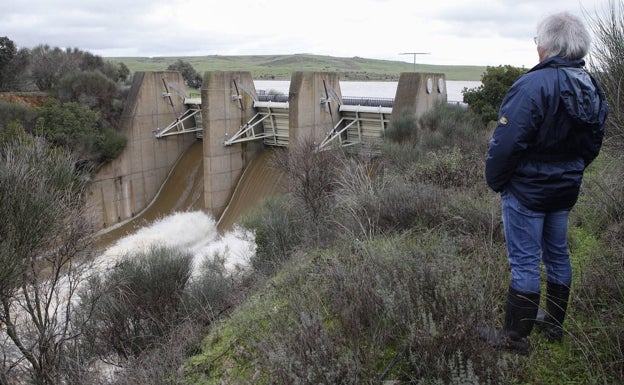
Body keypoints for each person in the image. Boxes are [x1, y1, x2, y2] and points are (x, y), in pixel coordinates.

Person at [479, 11, 608, 355]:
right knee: (557, 255)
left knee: (524, 262)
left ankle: (514, 339)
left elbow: (506, 143)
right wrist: (572, 172)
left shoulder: (532, 85)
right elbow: (594, 140)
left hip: (526, 191)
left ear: (546, 46)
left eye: (538, 41)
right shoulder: (592, 86)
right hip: (564, 190)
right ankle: (553, 324)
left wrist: (497, 181)